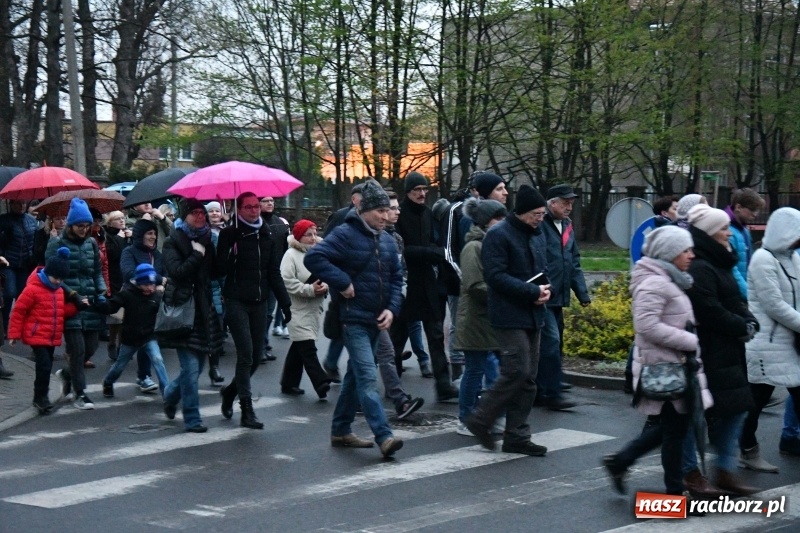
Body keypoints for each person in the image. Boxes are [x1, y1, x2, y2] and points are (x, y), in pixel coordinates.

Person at [602, 226, 711, 496]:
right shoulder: (654, 283)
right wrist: (690, 340)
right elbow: (647, 326)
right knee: (674, 433)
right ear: (669, 253)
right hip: (666, 368)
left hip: (677, 366)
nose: (691, 255)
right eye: (685, 250)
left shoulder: (671, 279)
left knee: (671, 429)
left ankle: (621, 462)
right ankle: (674, 493)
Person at [305, 179, 405, 458]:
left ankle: (340, 430)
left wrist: (392, 310)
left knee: (354, 377)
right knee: (366, 376)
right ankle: (383, 435)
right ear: (365, 211)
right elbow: (314, 259)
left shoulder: (386, 239)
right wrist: (342, 282)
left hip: (377, 319)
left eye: (388, 211)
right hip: (353, 319)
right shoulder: (346, 234)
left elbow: (397, 278)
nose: (386, 216)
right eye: (380, 212)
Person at [464, 184, 551, 456]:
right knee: (517, 370)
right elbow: (496, 277)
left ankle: (517, 435)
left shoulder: (537, 235)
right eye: (536, 213)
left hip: (533, 312)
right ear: (523, 212)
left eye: (543, 213)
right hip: (508, 314)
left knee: (528, 378)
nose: (540, 218)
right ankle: (480, 419)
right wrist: (531, 292)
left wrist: (545, 290)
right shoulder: (499, 235)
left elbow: (542, 269)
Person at [684, 203, 759, 495]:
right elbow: (709, 309)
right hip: (707, 351)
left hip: (727, 351)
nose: (729, 233)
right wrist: (741, 326)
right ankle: (691, 473)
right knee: (697, 415)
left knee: (736, 409)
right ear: (709, 233)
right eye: (723, 228)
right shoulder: (701, 266)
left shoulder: (719, 262)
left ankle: (725, 470)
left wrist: (748, 319)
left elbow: (734, 300)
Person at [216, 192, 292, 430]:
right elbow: (219, 270)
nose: (254, 211)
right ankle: (246, 410)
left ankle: (230, 391)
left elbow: (273, 272)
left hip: (260, 300)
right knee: (246, 354)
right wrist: (230, 250)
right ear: (239, 210)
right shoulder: (230, 233)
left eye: (256, 206)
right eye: (248, 207)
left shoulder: (266, 233)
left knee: (257, 356)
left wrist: (285, 303)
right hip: (236, 298)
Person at [739, 207, 800, 468]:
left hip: (790, 343)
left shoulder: (792, 258)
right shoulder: (762, 259)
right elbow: (774, 304)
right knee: (756, 400)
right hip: (767, 344)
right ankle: (747, 449)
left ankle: (755, 447)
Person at [391, 171, 458, 402]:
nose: (421, 194)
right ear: (408, 192)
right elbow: (401, 250)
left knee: (436, 336)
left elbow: (434, 242)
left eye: (424, 189)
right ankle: (394, 384)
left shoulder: (429, 214)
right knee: (396, 338)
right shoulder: (398, 215)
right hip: (405, 283)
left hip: (428, 283)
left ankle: (443, 385)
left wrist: (435, 252)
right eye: (417, 190)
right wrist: (431, 252)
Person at [161, 199, 225, 433]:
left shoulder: (209, 238)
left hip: (204, 309)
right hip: (183, 310)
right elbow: (176, 273)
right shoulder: (172, 240)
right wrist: (196, 255)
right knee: (190, 368)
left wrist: (223, 249)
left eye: (202, 213)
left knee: (197, 368)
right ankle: (192, 418)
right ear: (185, 216)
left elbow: (217, 273)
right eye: (194, 213)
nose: (200, 216)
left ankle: (170, 395)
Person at [453, 197, 507, 435]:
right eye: (498, 218)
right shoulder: (474, 247)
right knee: (475, 370)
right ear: (485, 222)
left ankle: (487, 415)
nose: (503, 222)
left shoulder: (491, 243)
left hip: (489, 318)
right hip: (476, 319)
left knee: (490, 369)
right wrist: (505, 292)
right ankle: (466, 418)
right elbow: (475, 285)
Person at [7, 247, 83, 414]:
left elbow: (60, 312)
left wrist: (76, 307)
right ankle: (41, 397)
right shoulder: (32, 289)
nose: (57, 281)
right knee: (44, 365)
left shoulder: (58, 291)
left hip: (51, 336)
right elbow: (19, 311)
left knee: (46, 367)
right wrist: (13, 334)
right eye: (55, 277)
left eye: (61, 279)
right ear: (48, 272)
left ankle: (39, 397)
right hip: (36, 335)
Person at [48, 198, 107, 410]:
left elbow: (97, 272)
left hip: (90, 302)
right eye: (79, 226)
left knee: (91, 347)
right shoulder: (57, 244)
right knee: (78, 349)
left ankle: (66, 374)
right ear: (71, 225)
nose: (84, 230)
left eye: (86, 226)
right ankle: (81, 393)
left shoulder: (91, 244)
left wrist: (101, 291)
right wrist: (71, 294)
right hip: (69, 305)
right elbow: (51, 275)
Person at [536, 184, 590, 411]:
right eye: (565, 202)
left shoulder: (567, 226)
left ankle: (547, 384)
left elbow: (573, 262)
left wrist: (582, 293)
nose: (569, 207)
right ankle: (551, 392)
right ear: (552, 204)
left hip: (560, 295)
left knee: (556, 343)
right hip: (544, 294)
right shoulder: (540, 225)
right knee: (551, 342)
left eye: (571, 203)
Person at [379, 191, 425, 419]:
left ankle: (397, 398)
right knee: (376, 354)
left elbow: (400, 270)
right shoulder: (371, 236)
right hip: (371, 305)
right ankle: (397, 399)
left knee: (387, 351)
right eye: (393, 208)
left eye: (398, 208)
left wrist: (401, 292)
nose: (398, 212)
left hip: (392, 303)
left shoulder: (396, 238)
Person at [97, 263, 170, 398]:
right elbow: (111, 306)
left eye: (152, 284)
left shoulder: (156, 296)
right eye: (146, 284)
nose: (150, 288)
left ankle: (166, 391)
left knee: (158, 359)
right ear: (138, 283)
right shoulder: (127, 294)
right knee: (119, 365)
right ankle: (108, 381)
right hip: (130, 338)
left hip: (149, 336)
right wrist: (101, 303)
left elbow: (164, 313)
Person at [279, 219, 332, 399]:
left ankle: (288, 382)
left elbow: (328, 273)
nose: (312, 238)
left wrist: (325, 286)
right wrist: (309, 289)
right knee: (307, 346)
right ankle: (320, 381)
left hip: (313, 308)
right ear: (299, 236)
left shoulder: (319, 253)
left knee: (300, 344)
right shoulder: (290, 255)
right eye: (308, 234)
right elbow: (286, 281)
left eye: (314, 233)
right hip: (296, 307)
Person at [119, 218, 167, 393]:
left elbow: (166, 273)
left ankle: (144, 376)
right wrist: (158, 280)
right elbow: (128, 273)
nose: (153, 237)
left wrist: (159, 282)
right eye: (149, 233)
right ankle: (111, 378)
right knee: (132, 344)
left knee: (149, 337)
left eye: (154, 233)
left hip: (153, 301)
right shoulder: (129, 252)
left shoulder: (157, 255)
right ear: (140, 235)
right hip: (133, 300)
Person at [0, 199, 39, 330]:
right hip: (8, 263)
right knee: (9, 292)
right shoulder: (3, 220)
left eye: (23, 203)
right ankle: (4, 325)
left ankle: (19, 326)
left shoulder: (32, 221)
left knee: (23, 296)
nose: (21, 205)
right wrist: (4, 236)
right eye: (18, 203)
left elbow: (36, 241)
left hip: (25, 264)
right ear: (11, 204)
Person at [724, 188, 764, 299]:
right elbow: (732, 268)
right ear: (738, 207)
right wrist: (748, 294)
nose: (755, 214)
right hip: (736, 294)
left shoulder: (743, 229)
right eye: (752, 210)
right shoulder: (727, 231)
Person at [261, 196, 291, 340]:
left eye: (271, 201)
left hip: (274, 274)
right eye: (265, 201)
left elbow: (286, 251)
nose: (269, 203)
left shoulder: (279, 224)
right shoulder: (253, 223)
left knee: (268, 312)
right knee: (259, 313)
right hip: (256, 275)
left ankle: (263, 344)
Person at [102, 211, 131, 361]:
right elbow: (113, 256)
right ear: (110, 222)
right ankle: (112, 342)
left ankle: (122, 345)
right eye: (117, 219)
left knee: (126, 317)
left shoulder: (126, 235)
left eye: (122, 218)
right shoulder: (108, 237)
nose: (121, 221)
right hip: (114, 279)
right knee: (116, 317)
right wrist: (121, 239)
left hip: (127, 278)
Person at [206, 201, 227, 385]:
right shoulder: (204, 235)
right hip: (202, 288)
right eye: (210, 211)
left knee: (217, 329)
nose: (214, 213)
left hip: (216, 287)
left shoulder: (224, 232)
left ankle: (214, 367)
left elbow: (221, 267)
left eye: (216, 210)